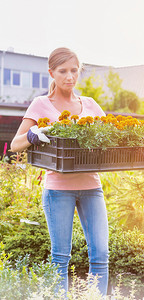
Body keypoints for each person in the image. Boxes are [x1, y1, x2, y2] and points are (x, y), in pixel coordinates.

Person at [10, 47, 109, 296]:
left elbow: (111, 136)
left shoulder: (90, 105)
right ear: (51, 73)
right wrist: (33, 135)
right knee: (60, 258)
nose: (69, 76)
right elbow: (15, 144)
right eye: (63, 71)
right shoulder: (41, 104)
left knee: (101, 255)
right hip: (58, 191)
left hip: (91, 187)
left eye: (74, 70)